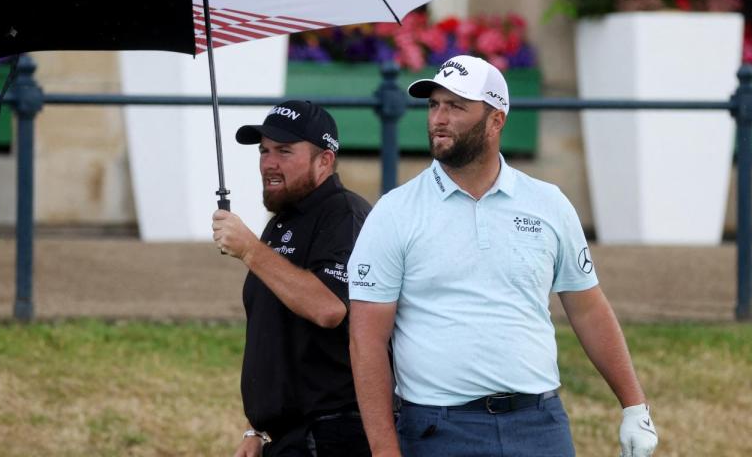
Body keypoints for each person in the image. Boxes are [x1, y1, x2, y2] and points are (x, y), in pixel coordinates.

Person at [347, 56, 658, 457]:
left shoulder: (549, 203)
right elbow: (367, 340)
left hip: (540, 425)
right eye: (433, 105)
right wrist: (384, 450)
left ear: (496, 120)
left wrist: (635, 406)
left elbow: (588, 309)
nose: (438, 119)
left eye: (456, 106)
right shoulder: (394, 211)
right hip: (436, 430)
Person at [212, 100, 373, 457]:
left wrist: (251, 250)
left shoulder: (344, 215)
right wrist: (258, 429)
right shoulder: (283, 220)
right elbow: (275, 334)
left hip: (331, 434)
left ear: (325, 160)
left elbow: (329, 307)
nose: (268, 163)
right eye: (264, 151)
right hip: (287, 437)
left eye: (284, 151)